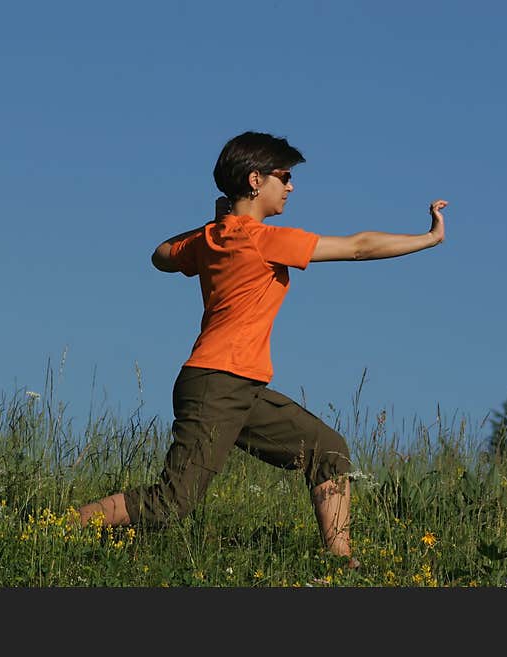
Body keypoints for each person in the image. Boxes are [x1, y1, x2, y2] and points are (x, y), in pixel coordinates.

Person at [75, 131, 447, 568]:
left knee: (327, 450)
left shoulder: (212, 237)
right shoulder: (262, 238)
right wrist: (429, 238)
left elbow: (160, 254)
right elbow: (358, 247)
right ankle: (54, 529)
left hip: (235, 385)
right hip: (219, 383)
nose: (290, 186)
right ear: (255, 180)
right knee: (170, 504)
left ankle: (341, 563)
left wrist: (212, 225)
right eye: (284, 177)